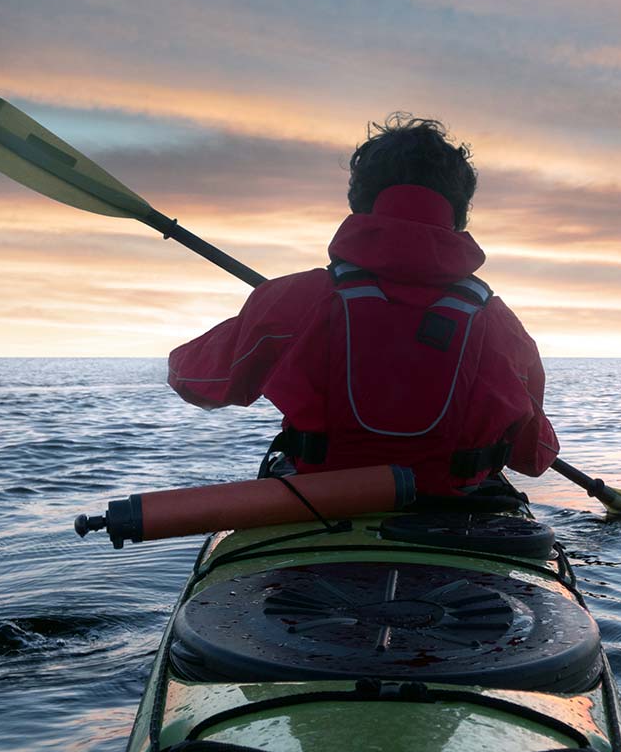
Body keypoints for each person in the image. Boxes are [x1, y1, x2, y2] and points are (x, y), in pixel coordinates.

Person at [167, 114, 558, 495]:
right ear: (458, 214)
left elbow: (197, 384)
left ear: (359, 203)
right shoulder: (500, 323)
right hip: (452, 515)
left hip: (320, 503)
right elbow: (533, 457)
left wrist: (257, 317)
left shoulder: (297, 298)